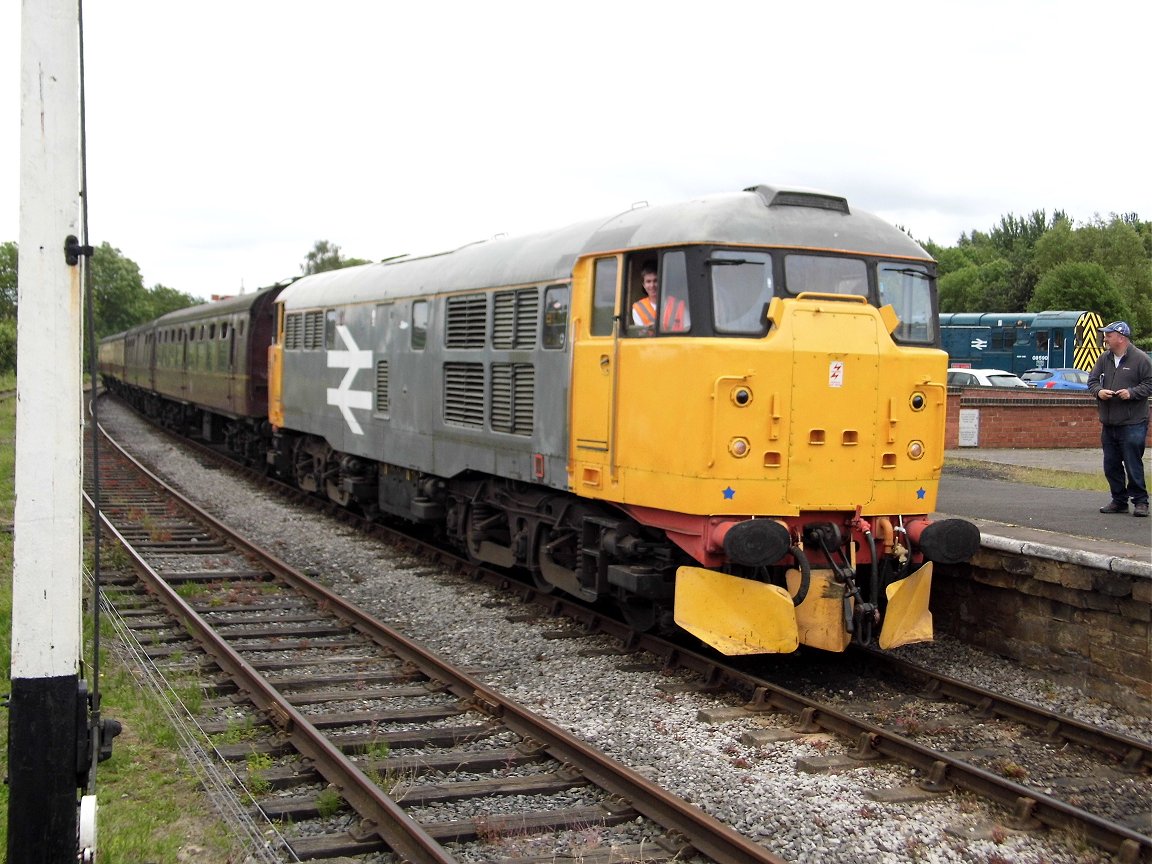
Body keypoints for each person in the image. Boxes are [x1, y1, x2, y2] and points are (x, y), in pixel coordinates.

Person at [1087, 321, 1152, 517]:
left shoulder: (1141, 359)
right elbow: (1092, 381)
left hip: (1133, 423)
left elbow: (1150, 384)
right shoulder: (1104, 359)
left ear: (1121, 337)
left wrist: (1132, 393)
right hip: (1109, 422)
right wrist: (1099, 392)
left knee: (1133, 463)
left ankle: (1141, 502)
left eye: (1108, 335)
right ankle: (1119, 500)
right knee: (1111, 464)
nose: (1105, 338)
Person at [631, 264, 686, 332]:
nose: (652, 285)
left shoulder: (679, 305)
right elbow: (641, 334)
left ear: (662, 281)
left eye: (655, 281)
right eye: (648, 281)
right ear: (644, 285)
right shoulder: (638, 308)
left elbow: (687, 329)